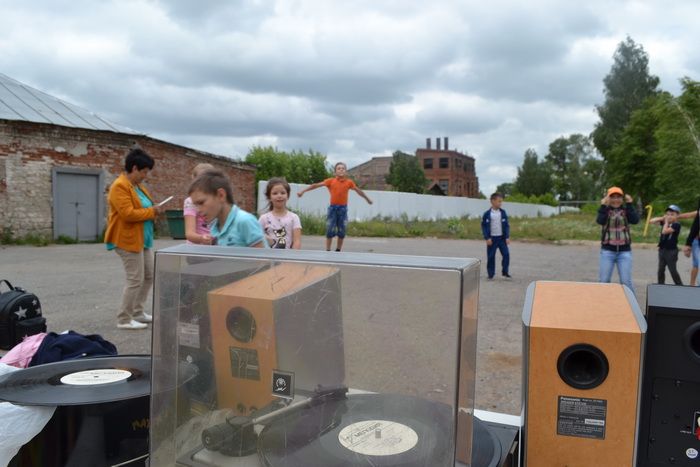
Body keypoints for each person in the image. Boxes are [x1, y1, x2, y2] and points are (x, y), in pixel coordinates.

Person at [104, 148, 162, 330]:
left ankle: (137, 312)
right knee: (135, 279)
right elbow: (127, 214)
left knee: (149, 275)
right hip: (126, 240)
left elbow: (144, 208)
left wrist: (154, 210)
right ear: (135, 168)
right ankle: (124, 319)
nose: (146, 176)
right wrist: (152, 211)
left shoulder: (138, 187)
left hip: (142, 240)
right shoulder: (119, 186)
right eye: (144, 171)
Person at [297, 162, 372, 251]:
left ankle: (338, 250)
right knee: (330, 230)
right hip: (333, 209)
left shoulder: (349, 182)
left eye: (343, 168)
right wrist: (303, 191)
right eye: (339, 168)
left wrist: (367, 199)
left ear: (346, 172)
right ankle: (328, 250)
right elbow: (316, 185)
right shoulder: (330, 181)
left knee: (342, 231)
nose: (341, 170)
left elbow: (359, 191)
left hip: (343, 209)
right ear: (335, 172)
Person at [187, 170, 265, 247]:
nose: (198, 210)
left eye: (201, 203)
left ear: (221, 195)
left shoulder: (245, 221)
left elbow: (262, 258)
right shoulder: (213, 226)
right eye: (195, 205)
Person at [596, 186, 639, 293]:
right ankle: (600, 304)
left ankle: (631, 306)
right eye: (613, 197)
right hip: (607, 251)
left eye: (618, 197)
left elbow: (635, 220)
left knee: (626, 281)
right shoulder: (606, 210)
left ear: (622, 198)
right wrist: (603, 205)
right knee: (604, 281)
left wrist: (629, 204)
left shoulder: (626, 210)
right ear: (608, 199)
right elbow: (600, 220)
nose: (616, 200)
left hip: (624, 252)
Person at [258, 177, 302, 249]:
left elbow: (297, 242)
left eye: (283, 193)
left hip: (288, 258)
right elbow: (257, 239)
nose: (279, 196)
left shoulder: (294, 218)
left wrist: (292, 258)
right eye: (275, 193)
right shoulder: (264, 218)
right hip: (268, 258)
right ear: (269, 197)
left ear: (288, 196)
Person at [481, 192, 511, 280]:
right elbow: (484, 227)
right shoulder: (487, 214)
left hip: (501, 238)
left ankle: (505, 272)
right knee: (491, 256)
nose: (500, 203)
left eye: (501, 202)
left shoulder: (503, 213)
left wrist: (507, 237)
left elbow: (506, 226)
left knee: (506, 255)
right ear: (492, 201)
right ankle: (491, 274)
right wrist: (487, 238)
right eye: (499, 201)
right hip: (492, 239)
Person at [184, 163, 215, 245]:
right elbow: (189, 234)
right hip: (196, 249)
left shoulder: (217, 200)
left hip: (216, 248)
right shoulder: (190, 202)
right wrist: (201, 238)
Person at [656, 205, 683, 285]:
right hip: (662, 249)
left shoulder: (676, 225)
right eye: (667, 214)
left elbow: (664, 231)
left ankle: (679, 285)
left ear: (677, 216)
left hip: (671, 251)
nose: (669, 216)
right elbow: (652, 221)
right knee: (660, 269)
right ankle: (661, 285)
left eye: (672, 214)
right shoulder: (665, 222)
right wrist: (663, 218)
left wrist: (666, 222)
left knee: (672, 270)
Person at [682, 199, 700, 286]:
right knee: (696, 265)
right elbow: (696, 221)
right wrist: (688, 244)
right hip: (697, 241)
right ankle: (692, 285)